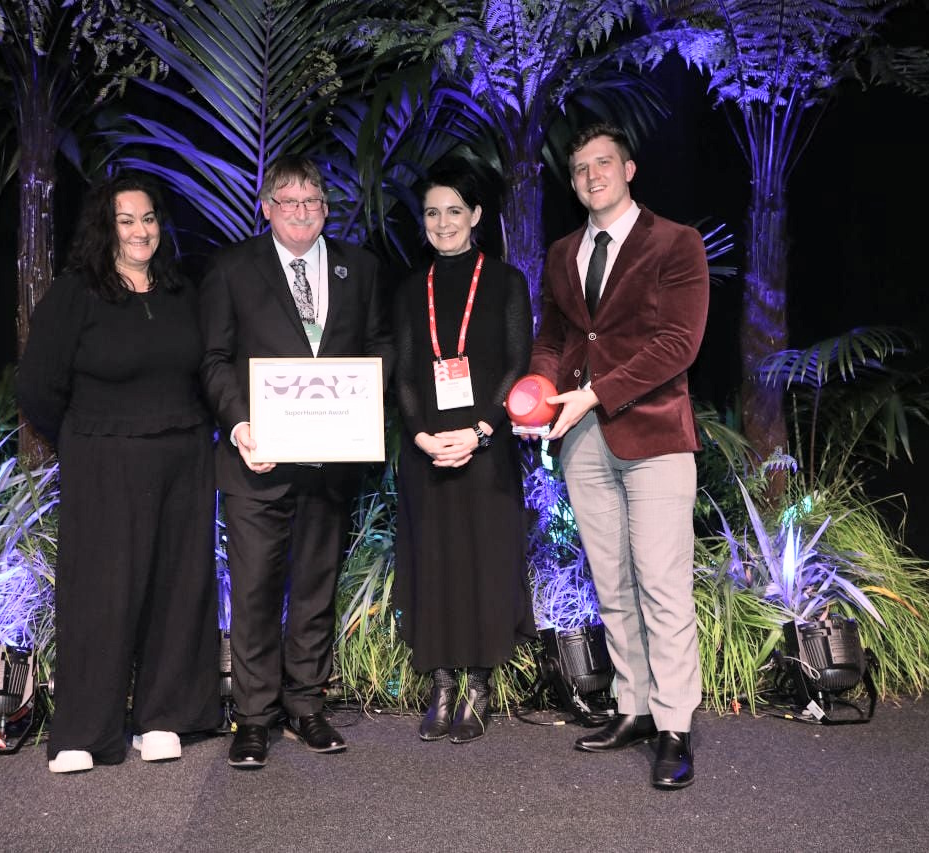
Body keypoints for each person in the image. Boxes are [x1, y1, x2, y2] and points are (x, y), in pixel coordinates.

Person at [16, 171, 222, 774]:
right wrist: (85, 441)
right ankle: (85, 731)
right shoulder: (75, 293)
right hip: (104, 461)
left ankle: (161, 719)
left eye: (149, 218)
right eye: (127, 220)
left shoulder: (185, 290)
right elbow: (37, 387)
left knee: (176, 589)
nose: (141, 230)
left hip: (184, 458)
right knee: (101, 594)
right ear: (106, 227)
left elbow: (207, 371)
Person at [529, 123, 709, 789]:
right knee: (613, 583)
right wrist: (541, 389)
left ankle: (675, 727)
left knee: (662, 584)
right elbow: (555, 334)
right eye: (579, 167)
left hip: (656, 435)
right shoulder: (561, 252)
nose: (591, 174)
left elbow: (677, 344)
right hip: (581, 438)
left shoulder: (676, 243)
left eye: (603, 162)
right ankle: (632, 706)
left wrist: (594, 394)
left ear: (629, 169)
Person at [199, 155, 393, 769]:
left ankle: (306, 705)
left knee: (314, 586)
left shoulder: (359, 269)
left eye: (312, 201)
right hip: (259, 460)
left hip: (331, 461)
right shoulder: (233, 271)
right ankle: (253, 717)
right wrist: (240, 426)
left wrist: (363, 401)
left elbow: (380, 345)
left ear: (326, 208)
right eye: (288, 202)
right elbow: (214, 360)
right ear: (267, 209)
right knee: (255, 591)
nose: (302, 213)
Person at [392, 164, 536, 744]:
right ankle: (442, 684)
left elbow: (516, 364)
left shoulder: (505, 281)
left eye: (455, 210)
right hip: (426, 448)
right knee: (436, 563)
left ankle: (478, 686)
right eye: (432, 212)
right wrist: (424, 435)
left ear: (476, 216)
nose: (443, 222)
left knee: (483, 561)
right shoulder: (409, 288)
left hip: (486, 446)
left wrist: (478, 432)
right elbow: (403, 372)